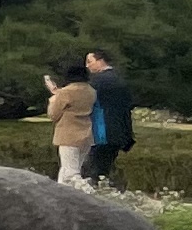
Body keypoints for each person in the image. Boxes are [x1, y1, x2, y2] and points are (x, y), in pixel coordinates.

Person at [84, 48, 136, 189]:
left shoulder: (98, 81)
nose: (87, 66)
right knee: (104, 168)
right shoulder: (119, 79)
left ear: (100, 61)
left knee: (93, 171)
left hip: (102, 132)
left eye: (90, 62)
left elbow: (84, 100)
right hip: (119, 131)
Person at [46, 61, 95, 187]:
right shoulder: (91, 91)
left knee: (71, 173)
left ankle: (88, 193)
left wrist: (52, 100)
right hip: (86, 134)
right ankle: (62, 193)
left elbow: (53, 114)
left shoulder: (65, 92)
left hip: (68, 136)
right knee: (70, 169)